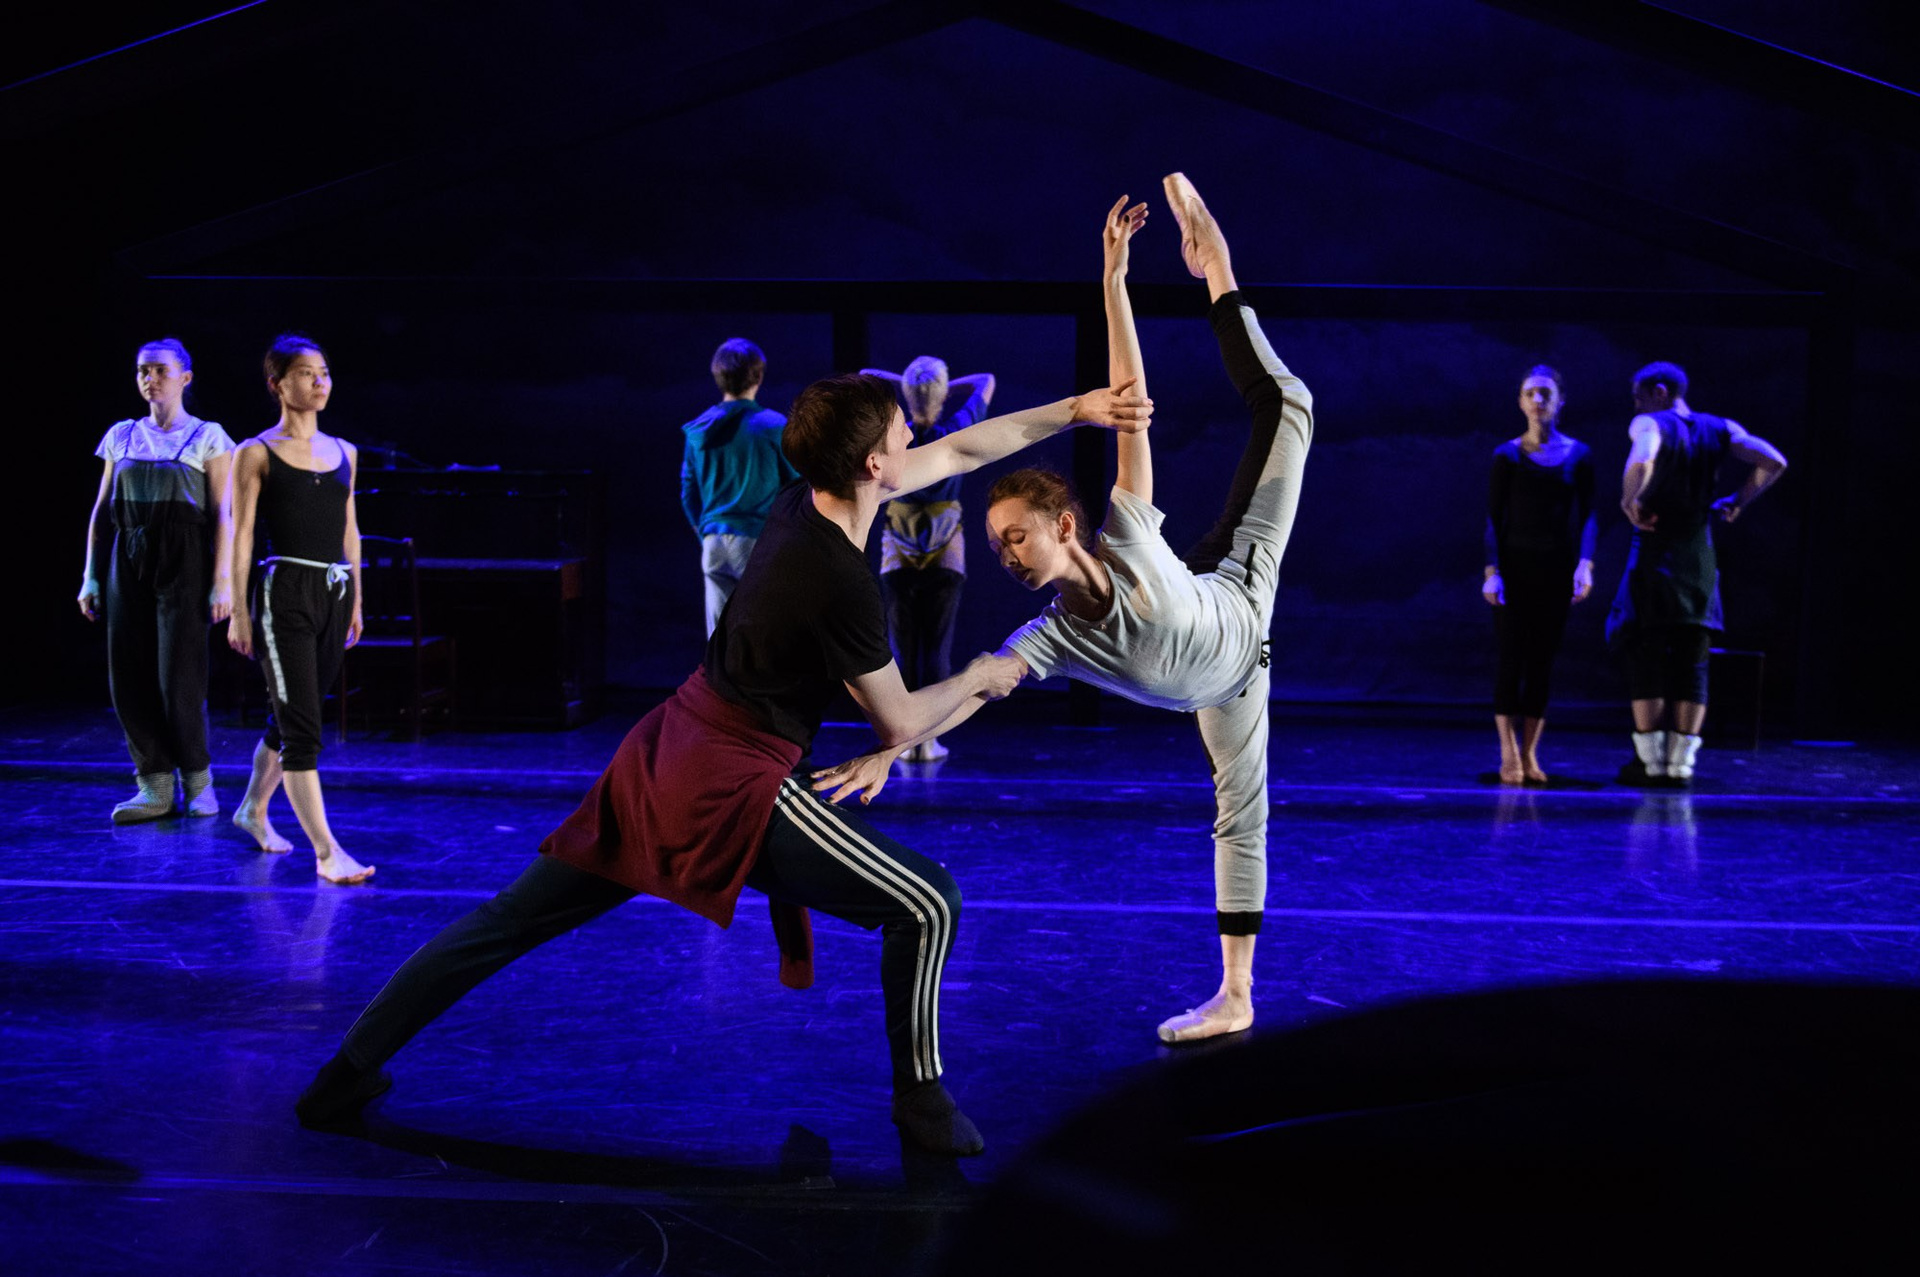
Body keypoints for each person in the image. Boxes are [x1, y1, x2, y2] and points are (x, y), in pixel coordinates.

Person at [293, 356, 1150, 1155]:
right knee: (928, 903)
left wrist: (1078, 409)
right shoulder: (840, 581)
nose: (913, 437)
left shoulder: (805, 498)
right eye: (901, 432)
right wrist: (984, 673)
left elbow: (963, 447)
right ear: (875, 467)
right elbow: (898, 723)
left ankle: (343, 1074)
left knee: (505, 922)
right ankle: (919, 1099)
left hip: (664, 749)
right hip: (729, 783)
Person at [815, 175, 1311, 1046]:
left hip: (1240, 581)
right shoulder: (1051, 638)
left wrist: (1114, 282)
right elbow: (979, 684)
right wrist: (893, 746)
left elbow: (1130, 406)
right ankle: (1236, 997)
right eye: (995, 544)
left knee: (1289, 404)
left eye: (1016, 536)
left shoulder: (1127, 524)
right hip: (1228, 687)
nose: (1005, 554)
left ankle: (1216, 268)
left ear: (1064, 526)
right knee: (1240, 816)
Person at [226, 334, 375, 885]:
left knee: (292, 715)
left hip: (333, 592)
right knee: (303, 729)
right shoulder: (255, 452)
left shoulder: (345, 452)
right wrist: (239, 611)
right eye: (308, 373)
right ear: (278, 384)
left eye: (325, 372)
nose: (320, 381)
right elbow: (241, 535)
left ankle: (252, 809)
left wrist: (356, 597)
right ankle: (327, 852)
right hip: (283, 592)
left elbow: (350, 530)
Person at [78, 338, 236, 822]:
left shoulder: (208, 436)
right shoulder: (122, 434)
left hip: (184, 558)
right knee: (128, 672)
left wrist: (223, 580)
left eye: (160, 370)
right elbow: (101, 513)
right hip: (128, 555)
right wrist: (90, 576)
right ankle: (154, 785)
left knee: (178, 676)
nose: (150, 379)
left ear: (185, 377)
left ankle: (198, 781)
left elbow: (223, 515)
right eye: (143, 370)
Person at [1607, 361, 1787, 784]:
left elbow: (1643, 459)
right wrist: (1738, 501)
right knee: (1693, 660)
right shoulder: (1722, 427)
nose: (1636, 406)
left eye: (1639, 397)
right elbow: (1774, 461)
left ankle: (1652, 763)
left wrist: (1631, 500)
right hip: (1698, 556)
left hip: (1656, 552)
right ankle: (1680, 765)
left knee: (1648, 654)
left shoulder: (1650, 423)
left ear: (1660, 391)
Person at [859, 356, 996, 761]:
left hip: (899, 550)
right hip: (944, 549)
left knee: (901, 648)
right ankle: (929, 740)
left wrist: (907, 386)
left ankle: (902, 743)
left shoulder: (893, 436)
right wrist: (940, 390)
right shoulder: (955, 429)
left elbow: (866, 376)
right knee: (936, 648)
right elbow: (986, 379)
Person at [1481, 366, 1597, 785]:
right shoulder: (1507, 455)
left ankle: (1530, 753)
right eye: (1530, 393)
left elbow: (1589, 515)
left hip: (1555, 570)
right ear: (1520, 401)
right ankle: (1508, 753)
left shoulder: (1579, 454)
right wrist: (1492, 572)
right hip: (1514, 571)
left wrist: (1585, 563)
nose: (1538, 400)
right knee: (1511, 659)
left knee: (1542, 662)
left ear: (1560, 400)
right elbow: (1494, 518)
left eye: (1545, 393)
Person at [680, 338, 799, 636]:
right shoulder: (773, 426)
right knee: (763, 636)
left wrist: (704, 531)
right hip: (757, 542)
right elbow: (796, 486)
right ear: (758, 376)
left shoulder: (699, 429)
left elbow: (688, 493)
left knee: (720, 641)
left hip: (713, 545)